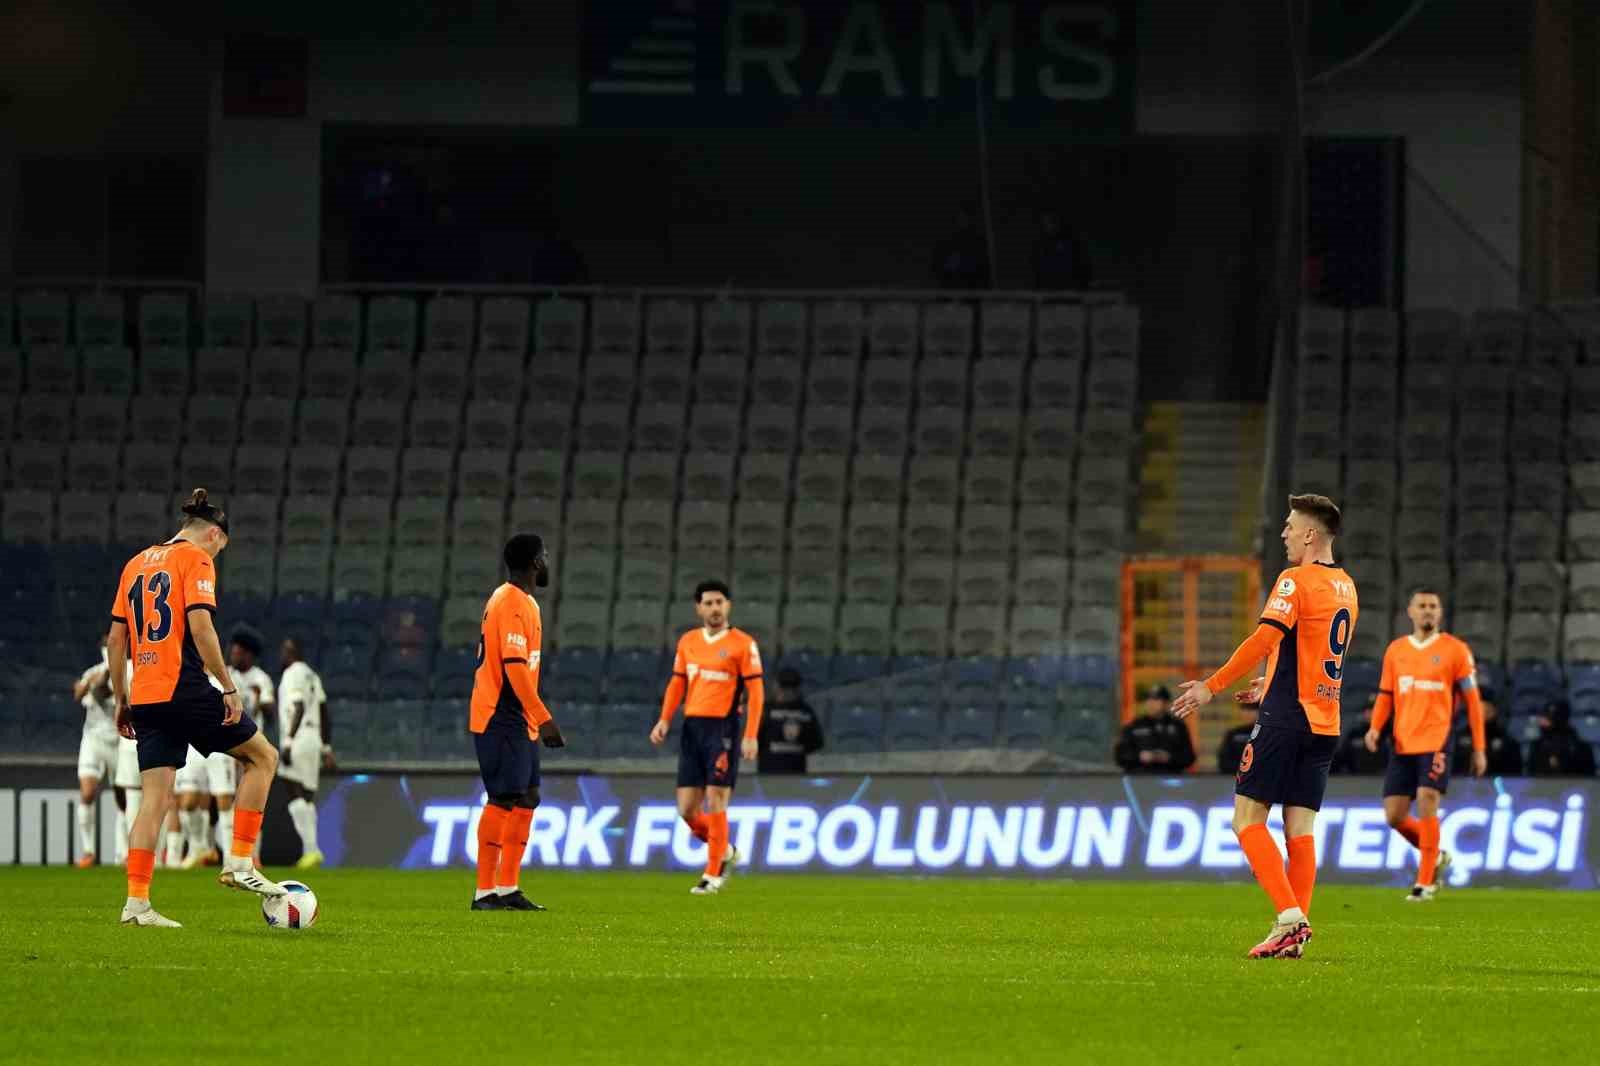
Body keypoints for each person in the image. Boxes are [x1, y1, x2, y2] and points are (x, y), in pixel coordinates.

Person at [1172, 494, 1357, 959]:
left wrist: (1210, 687)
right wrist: (1270, 683)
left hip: (1286, 719)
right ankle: (1293, 934)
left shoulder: (1295, 580)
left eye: (1291, 526)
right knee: (1300, 827)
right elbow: (1314, 653)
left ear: (1311, 534)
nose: (1285, 533)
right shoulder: (1347, 587)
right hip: (1324, 720)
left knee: (1246, 819)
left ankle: (1290, 919)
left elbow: (1265, 638)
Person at [108, 489, 285, 927]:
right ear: (212, 533)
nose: (217, 554)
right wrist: (227, 686)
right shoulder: (195, 560)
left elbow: (117, 640)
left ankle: (137, 905)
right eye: (219, 546)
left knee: (155, 799)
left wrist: (122, 700)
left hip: (145, 695)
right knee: (263, 757)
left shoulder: (135, 564)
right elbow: (201, 626)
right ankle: (240, 861)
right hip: (183, 687)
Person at [1363, 588, 1485, 901]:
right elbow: (1386, 694)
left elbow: (1472, 702)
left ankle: (1425, 882)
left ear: (1440, 613)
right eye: (1422, 605)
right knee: (1394, 815)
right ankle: (1437, 854)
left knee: (1427, 798)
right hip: (1403, 741)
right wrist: (1375, 728)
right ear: (1410, 611)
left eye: (1433, 606)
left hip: (1437, 738)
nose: (1428, 611)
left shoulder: (1456, 651)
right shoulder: (1396, 650)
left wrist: (1479, 748)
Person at [468, 534, 566, 912]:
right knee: (503, 797)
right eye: (545, 555)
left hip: (517, 716)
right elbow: (513, 668)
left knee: (528, 796)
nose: (547, 562)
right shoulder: (510, 601)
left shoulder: (522, 601)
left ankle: (508, 888)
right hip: (501, 714)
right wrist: (544, 718)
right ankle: (484, 893)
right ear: (536, 562)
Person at [650, 580, 766, 895]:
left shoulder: (743, 644)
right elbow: (677, 684)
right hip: (692, 728)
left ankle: (712, 874)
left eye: (720, 602)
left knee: (716, 798)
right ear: (698, 607)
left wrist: (751, 734)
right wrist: (664, 719)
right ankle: (725, 851)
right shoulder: (688, 642)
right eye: (709, 603)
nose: (714, 608)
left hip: (724, 729)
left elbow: (756, 692)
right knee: (687, 809)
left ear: (728, 606)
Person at [71, 635, 133, 867]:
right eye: (107, 646)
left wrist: (110, 674)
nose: (110, 649)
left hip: (119, 741)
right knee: (87, 793)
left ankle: (123, 853)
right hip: (94, 740)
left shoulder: (129, 670)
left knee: (123, 800)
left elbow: (110, 694)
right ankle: (88, 851)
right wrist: (100, 675)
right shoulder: (94, 671)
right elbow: (80, 694)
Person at [218, 623, 275, 862]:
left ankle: (254, 855)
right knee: (226, 799)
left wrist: (261, 699)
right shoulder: (225, 675)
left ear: (250, 654)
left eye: (239, 650)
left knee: (252, 801)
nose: (233, 653)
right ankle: (230, 856)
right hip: (227, 744)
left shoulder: (261, 679)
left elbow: (271, 712)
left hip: (252, 747)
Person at [277, 637, 333, 869]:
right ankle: (312, 851)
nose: (282, 654)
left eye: (284, 650)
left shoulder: (292, 673)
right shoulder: (313, 675)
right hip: (314, 738)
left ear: (291, 652)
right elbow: (324, 712)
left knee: (293, 790)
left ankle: (311, 850)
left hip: (298, 737)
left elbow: (298, 706)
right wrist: (327, 747)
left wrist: (288, 742)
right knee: (307, 797)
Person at [1114, 685, 1196, 774]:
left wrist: (1169, 758)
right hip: (1140, 779)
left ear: (1166, 703)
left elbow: (1189, 757)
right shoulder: (1134, 726)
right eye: (1148, 699)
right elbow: (1120, 756)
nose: (1151, 703)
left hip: (1170, 778)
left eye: (1156, 700)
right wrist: (1140, 756)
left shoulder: (1178, 727)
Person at [757, 668, 824, 775]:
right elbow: (816, 743)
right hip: (774, 772)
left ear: (776, 686)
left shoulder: (766, 710)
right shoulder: (805, 711)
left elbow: (816, 742)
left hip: (783, 772)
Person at [1453, 689, 1520, 776]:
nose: (1482, 716)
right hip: (1463, 786)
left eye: (1486, 711)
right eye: (1478, 711)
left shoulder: (1507, 741)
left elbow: (1514, 777)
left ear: (1494, 711)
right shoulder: (1458, 740)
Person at [930, 202, 991, 290]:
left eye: (965, 218)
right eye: (960, 217)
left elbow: (982, 268)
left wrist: (964, 263)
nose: (962, 221)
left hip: (972, 292)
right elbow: (936, 267)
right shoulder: (946, 242)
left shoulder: (978, 241)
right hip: (949, 291)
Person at [1528, 700, 1597, 777]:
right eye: (1545, 717)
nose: (1543, 722)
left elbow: (1589, 781)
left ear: (1563, 720)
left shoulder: (1581, 748)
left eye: (1550, 719)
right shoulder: (1537, 746)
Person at [1032, 208, 1091, 291]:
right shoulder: (1039, 244)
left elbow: (1081, 266)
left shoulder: (1071, 242)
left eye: (1052, 221)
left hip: (1070, 289)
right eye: (1046, 222)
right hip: (1047, 290)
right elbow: (1037, 269)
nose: (1049, 225)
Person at [1331, 693, 1388, 775]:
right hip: (1356, 780)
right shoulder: (1355, 734)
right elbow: (1341, 759)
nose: (1369, 713)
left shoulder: (1387, 735)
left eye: (1373, 710)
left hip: (1380, 779)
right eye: (1367, 710)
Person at [1217, 704, 1257, 776]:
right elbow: (1224, 761)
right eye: (1244, 709)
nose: (1248, 713)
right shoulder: (1233, 733)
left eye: (1252, 709)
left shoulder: (1266, 733)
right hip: (1234, 777)